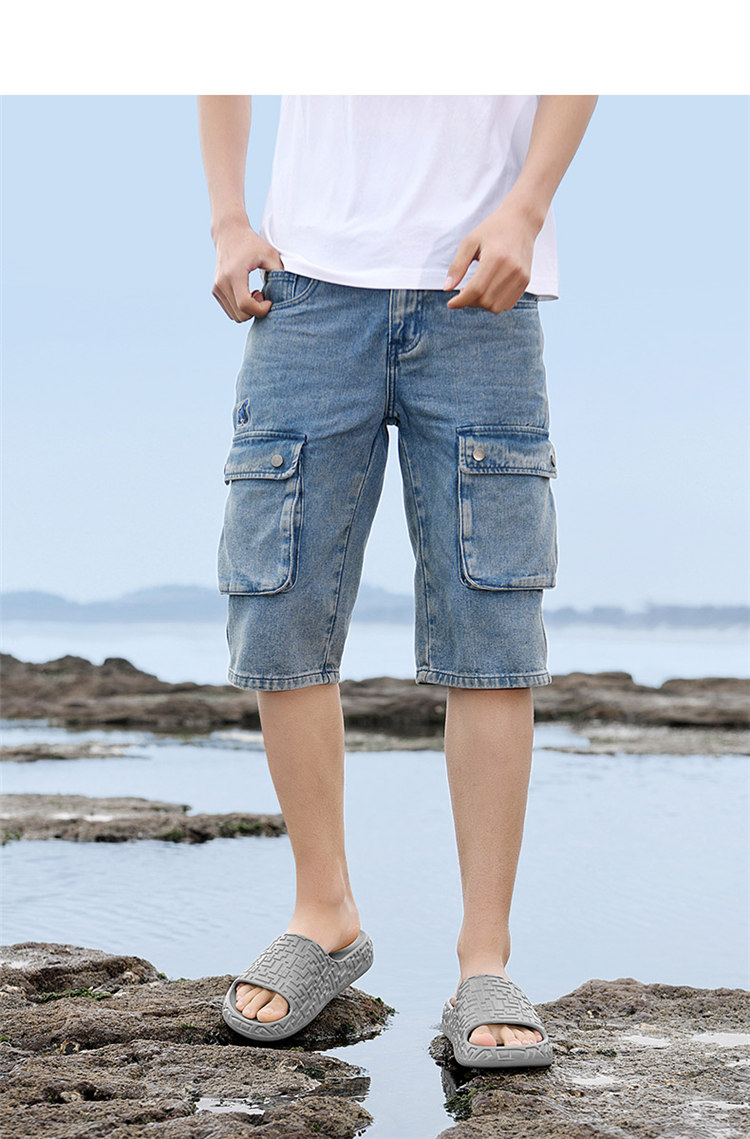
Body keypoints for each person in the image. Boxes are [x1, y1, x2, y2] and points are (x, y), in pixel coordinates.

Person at [197, 94, 598, 1069]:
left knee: (491, 621)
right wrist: (228, 219)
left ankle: (484, 958)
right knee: (278, 605)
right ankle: (323, 912)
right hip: (304, 287)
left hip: (480, 284)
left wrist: (527, 207)